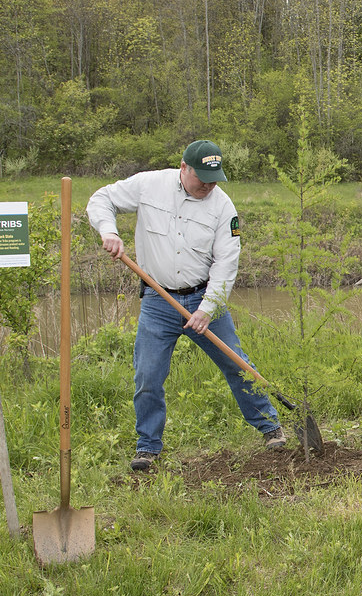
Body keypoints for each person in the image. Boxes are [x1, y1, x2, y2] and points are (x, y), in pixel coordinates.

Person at [87, 140, 285, 472]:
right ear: (184, 168)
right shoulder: (149, 185)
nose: (208, 185)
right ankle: (148, 447)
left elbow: (226, 263)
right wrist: (109, 231)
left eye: (214, 179)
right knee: (148, 375)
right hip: (157, 298)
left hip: (203, 297)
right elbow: (101, 198)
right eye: (202, 178)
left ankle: (270, 427)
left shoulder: (223, 208)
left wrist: (207, 309)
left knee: (236, 364)